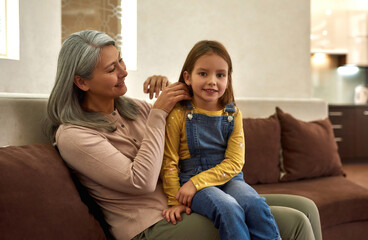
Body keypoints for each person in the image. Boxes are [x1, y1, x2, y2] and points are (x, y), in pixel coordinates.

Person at [45, 30, 322, 240]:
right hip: (150, 224)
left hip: (188, 200)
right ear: (81, 82)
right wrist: (158, 113)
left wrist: (173, 86)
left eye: (121, 61)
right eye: (111, 69)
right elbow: (140, 181)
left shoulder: (136, 109)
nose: (124, 71)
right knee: (294, 223)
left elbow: (190, 116)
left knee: (305, 207)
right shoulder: (74, 136)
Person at [160, 40, 322, 240]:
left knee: (254, 203)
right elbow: (169, 161)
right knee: (229, 208)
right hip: (192, 181)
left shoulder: (233, 114)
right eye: (203, 73)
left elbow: (235, 162)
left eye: (220, 75)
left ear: (228, 78)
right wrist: (174, 200)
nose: (212, 81)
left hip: (227, 179)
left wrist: (196, 182)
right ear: (188, 77)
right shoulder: (178, 113)